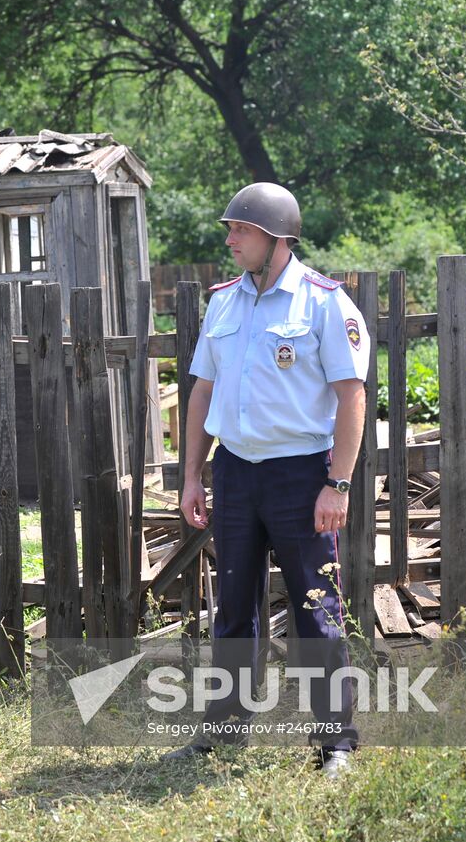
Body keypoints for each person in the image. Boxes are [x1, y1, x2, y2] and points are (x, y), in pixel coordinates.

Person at [158, 182, 369, 778]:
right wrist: (194, 473)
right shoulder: (223, 302)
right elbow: (202, 390)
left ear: (275, 238)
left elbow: (350, 396)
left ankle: (336, 744)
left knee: (314, 607)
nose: (229, 240)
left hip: (301, 476)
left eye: (239, 231)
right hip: (236, 473)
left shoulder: (325, 304)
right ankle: (225, 729)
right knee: (233, 607)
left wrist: (339, 483)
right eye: (230, 230)